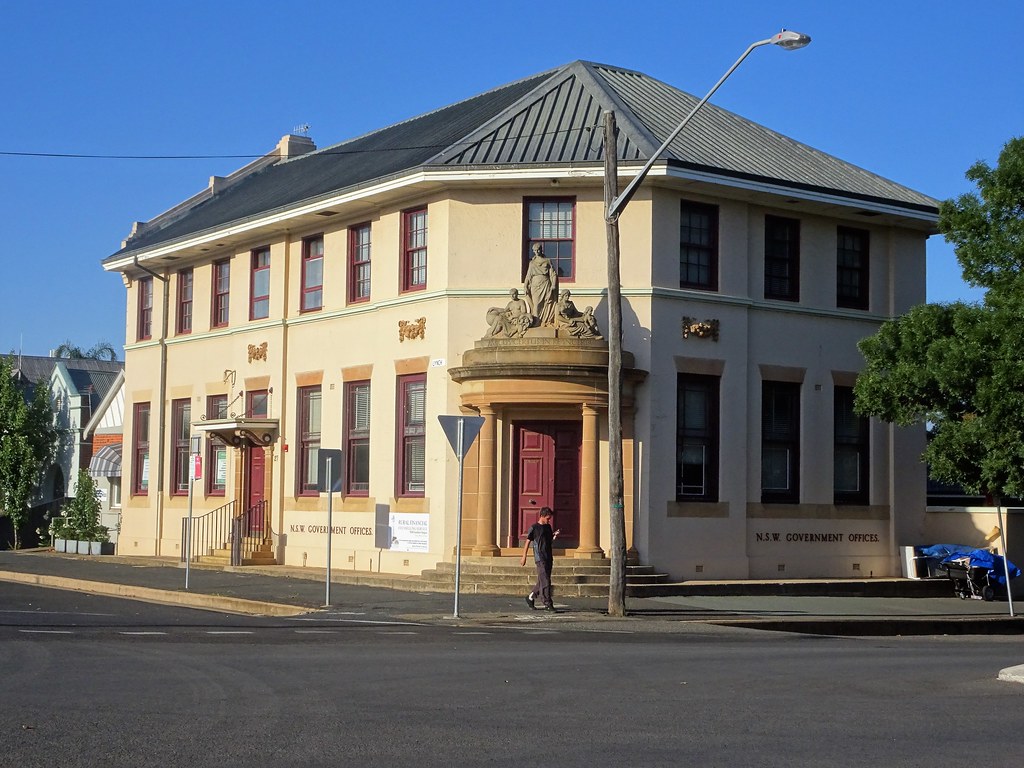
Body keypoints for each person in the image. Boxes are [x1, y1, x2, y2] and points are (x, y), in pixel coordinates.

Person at [520, 506, 559, 611]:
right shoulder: (534, 528)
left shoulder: (548, 527)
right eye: (547, 518)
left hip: (548, 556)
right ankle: (547, 603)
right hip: (540, 557)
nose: (549, 520)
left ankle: (531, 596)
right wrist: (524, 556)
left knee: (543, 579)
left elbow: (549, 540)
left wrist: (554, 535)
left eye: (549, 518)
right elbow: (528, 542)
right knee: (545, 580)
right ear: (542, 516)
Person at [522, 243, 558, 327]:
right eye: (535, 250)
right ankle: (536, 321)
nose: (537, 252)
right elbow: (528, 276)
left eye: (538, 250)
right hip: (535, 285)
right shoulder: (532, 263)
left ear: (541, 250)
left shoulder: (547, 261)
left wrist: (553, 285)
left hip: (545, 283)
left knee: (546, 302)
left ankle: (543, 321)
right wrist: (525, 286)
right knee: (536, 304)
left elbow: (553, 274)